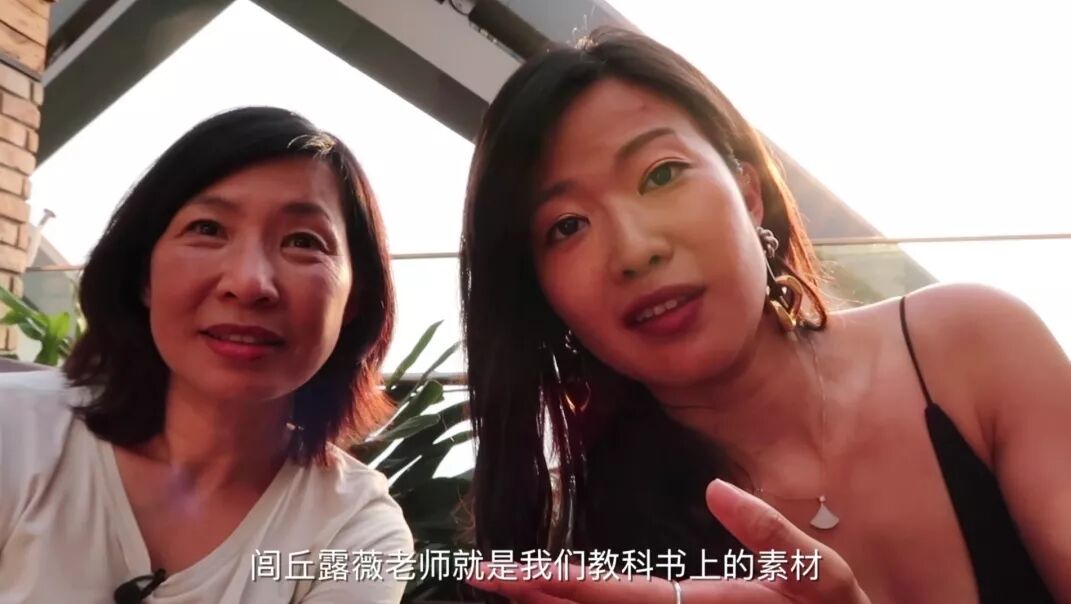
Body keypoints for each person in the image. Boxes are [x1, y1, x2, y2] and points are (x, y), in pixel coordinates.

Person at [459, 28, 1069, 603]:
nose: (635, 251)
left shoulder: (971, 345)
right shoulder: (597, 559)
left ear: (749, 193)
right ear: (541, 296)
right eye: (567, 226)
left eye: (662, 174)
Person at [0, 107, 412, 603]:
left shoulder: (356, 531)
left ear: (355, 300)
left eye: (303, 242)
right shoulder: (15, 430)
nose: (249, 283)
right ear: (144, 275)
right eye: (209, 229)